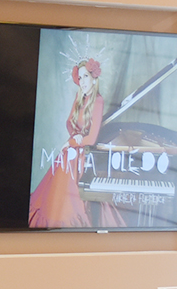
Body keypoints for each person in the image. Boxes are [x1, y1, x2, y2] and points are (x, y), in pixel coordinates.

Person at [28, 58, 125, 228]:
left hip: (83, 154)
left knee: (67, 173)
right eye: (79, 78)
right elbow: (69, 123)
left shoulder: (98, 100)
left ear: (94, 77)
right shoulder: (79, 97)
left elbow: (92, 139)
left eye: (85, 76)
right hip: (73, 149)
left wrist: (73, 141)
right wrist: (76, 136)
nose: (82, 82)